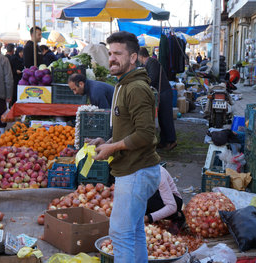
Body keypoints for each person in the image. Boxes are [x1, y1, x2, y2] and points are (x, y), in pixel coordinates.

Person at [88, 31, 161, 262]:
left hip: (136, 171)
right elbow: (129, 130)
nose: (112, 58)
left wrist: (113, 148)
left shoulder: (136, 88)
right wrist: (107, 142)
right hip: (133, 170)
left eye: (118, 54)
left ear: (132, 58)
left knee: (120, 234)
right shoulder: (122, 84)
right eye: (110, 53)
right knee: (134, 231)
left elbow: (146, 134)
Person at [138, 47, 177, 151]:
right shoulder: (146, 64)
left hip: (164, 92)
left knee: (166, 118)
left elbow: (152, 78)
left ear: (141, 56)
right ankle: (163, 141)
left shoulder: (152, 62)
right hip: (160, 93)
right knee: (161, 118)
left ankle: (171, 141)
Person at [144, 166, 186, 233]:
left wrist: (147, 218)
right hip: (156, 199)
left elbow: (171, 206)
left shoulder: (159, 173)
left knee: (147, 198)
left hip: (173, 202)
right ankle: (154, 220)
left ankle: (178, 216)